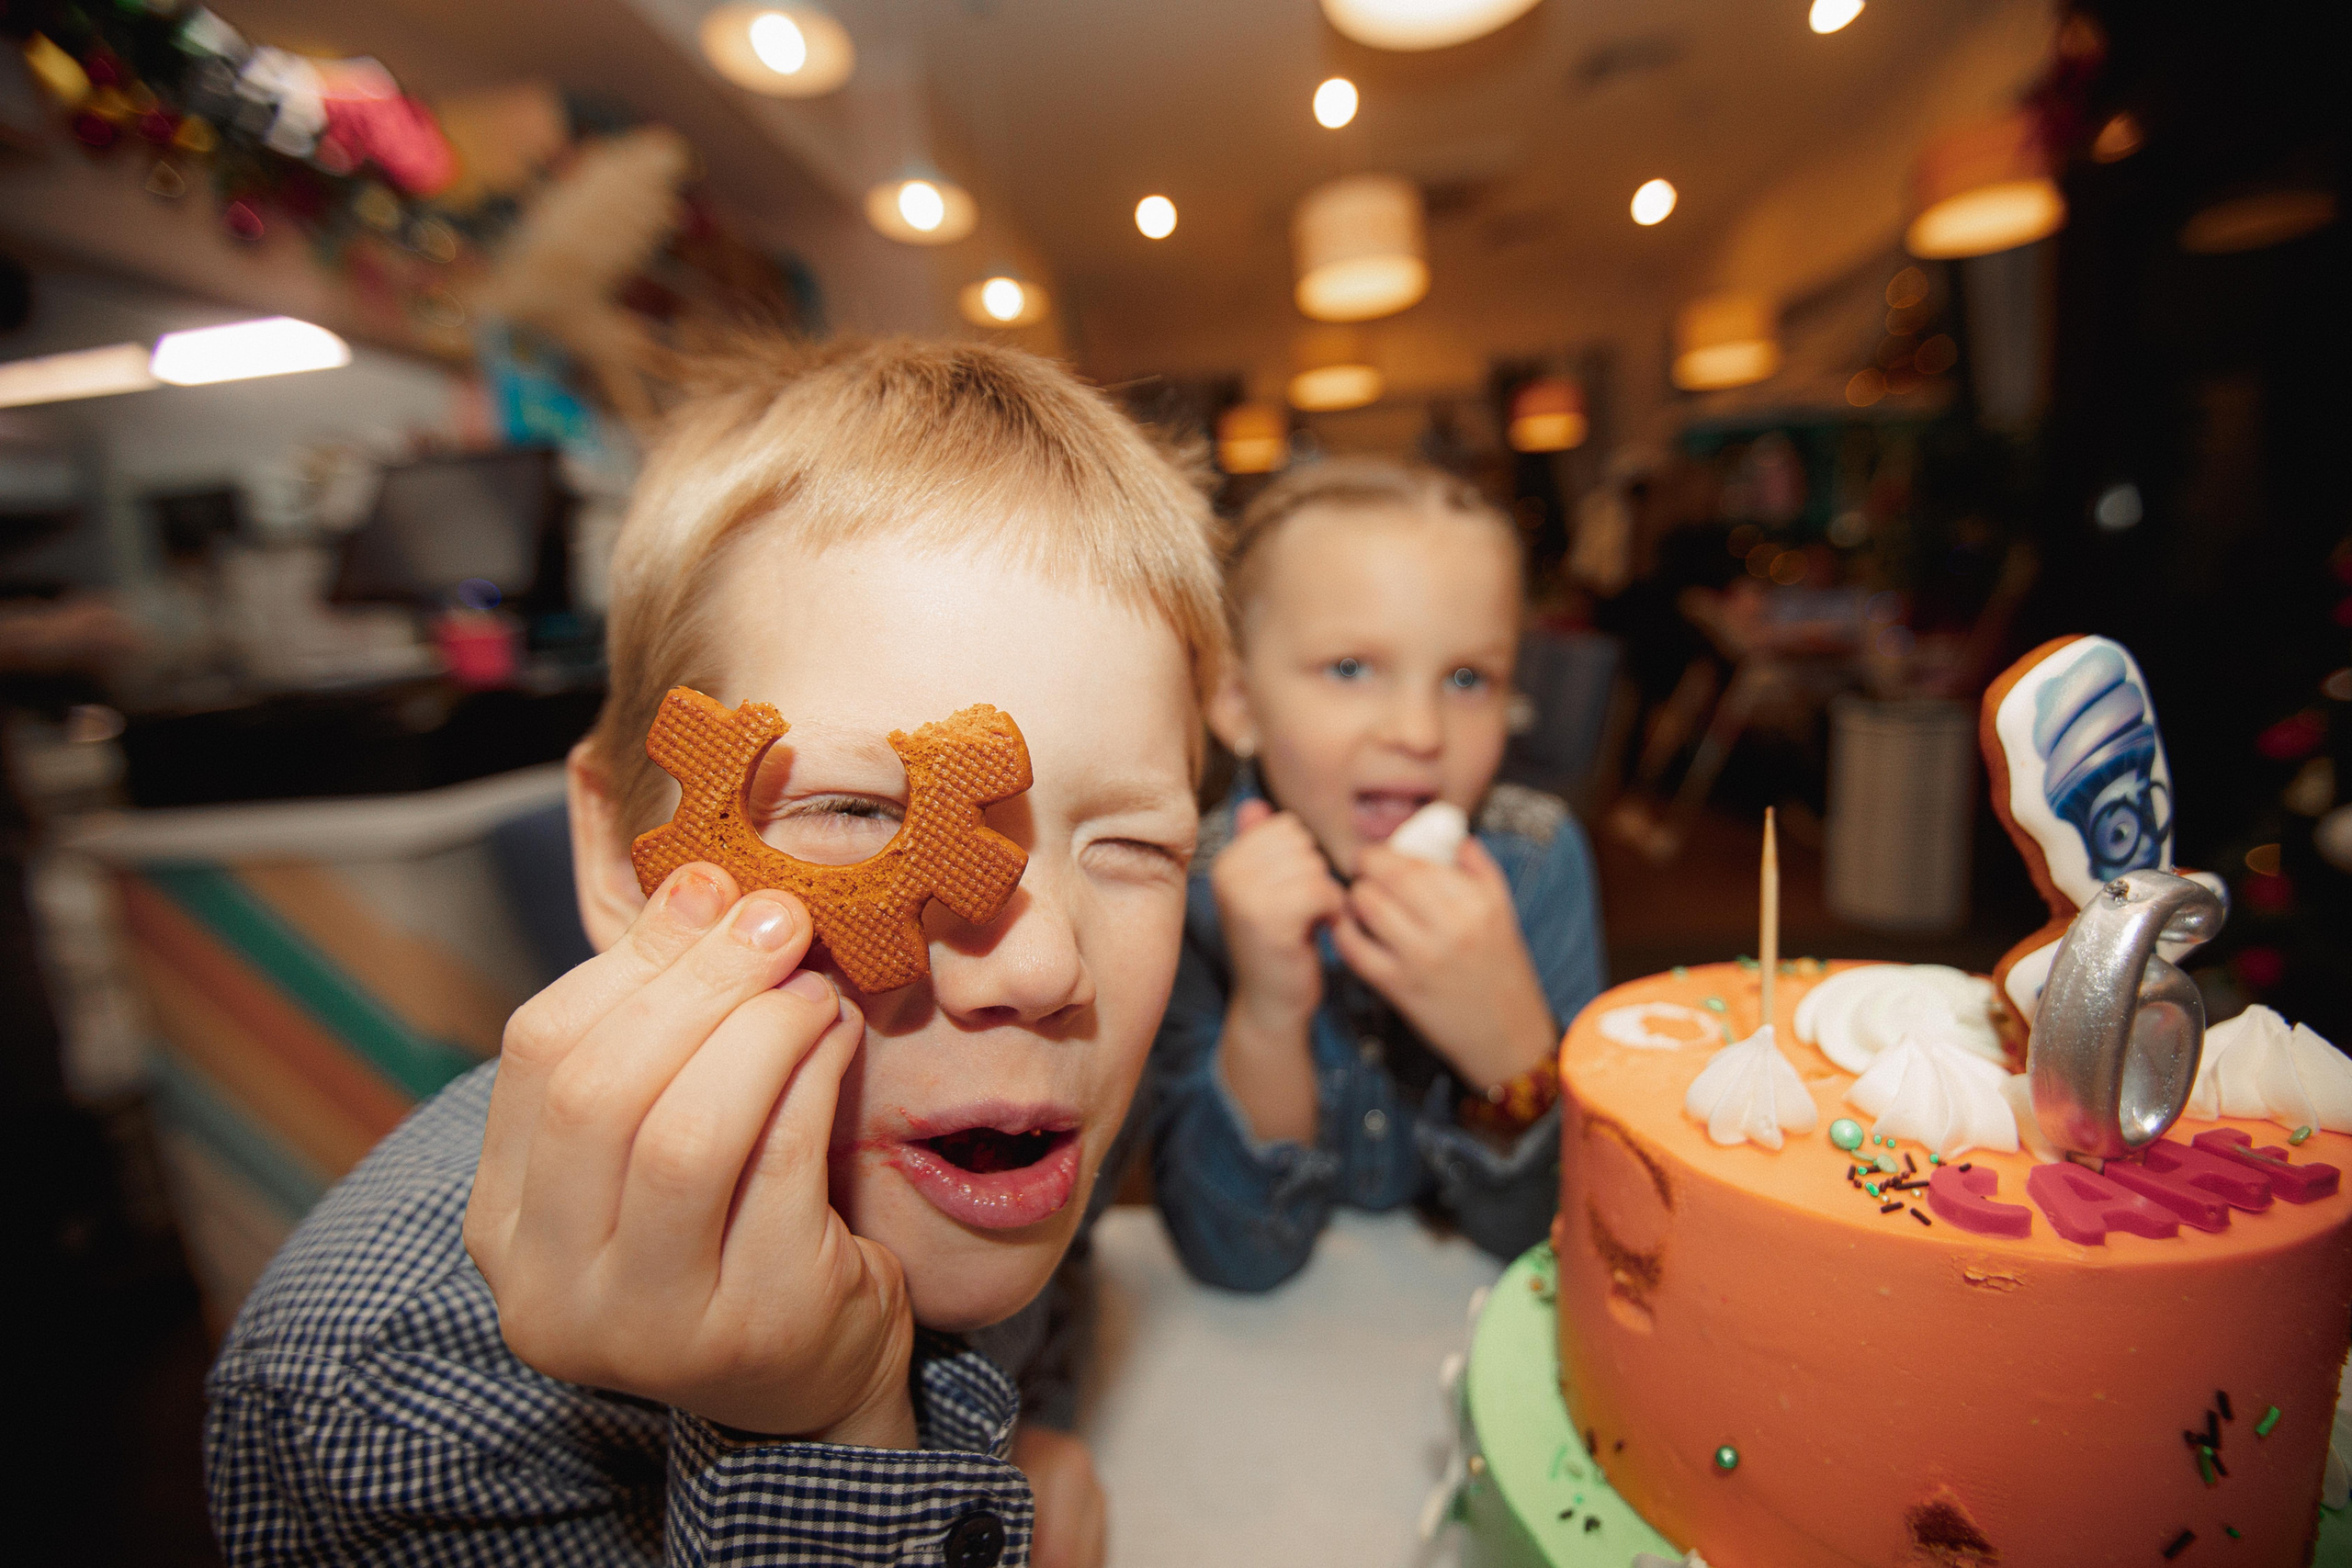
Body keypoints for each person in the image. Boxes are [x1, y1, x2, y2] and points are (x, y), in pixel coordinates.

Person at [203, 337, 1228, 1568]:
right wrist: (821, 1428)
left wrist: (1007, 1454)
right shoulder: (390, 1400)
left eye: (1131, 845)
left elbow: (1036, 1323)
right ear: (611, 849)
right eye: (857, 813)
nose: (1045, 964)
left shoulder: (963, 1125)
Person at [1148, 458, 1603, 1291]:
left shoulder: (1537, 862)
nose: (1420, 731)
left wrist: (1512, 1051)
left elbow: (1571, 1237)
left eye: (1468, 678)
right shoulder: (1187, 886)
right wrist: (1268, 1013)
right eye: (1352, 668)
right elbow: (1236, 1255)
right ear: (1239, 703)